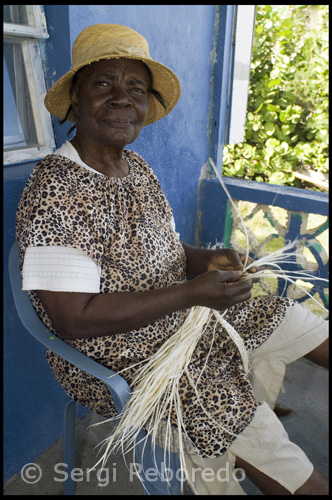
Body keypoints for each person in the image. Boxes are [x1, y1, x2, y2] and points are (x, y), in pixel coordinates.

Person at [16, 24, 328, 495]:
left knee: (281, 313)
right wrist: (190, 293)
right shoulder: (57, 188)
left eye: (135, 88)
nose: (122, 98)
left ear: (146, 106)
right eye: (103, 84)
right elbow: (72, 320)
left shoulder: (135, 166)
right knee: (240, 420)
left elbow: (165, 247)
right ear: (75, 101)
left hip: (180, 318)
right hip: (119, 357)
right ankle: (254, 436)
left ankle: (244, 410)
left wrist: (207, 260)